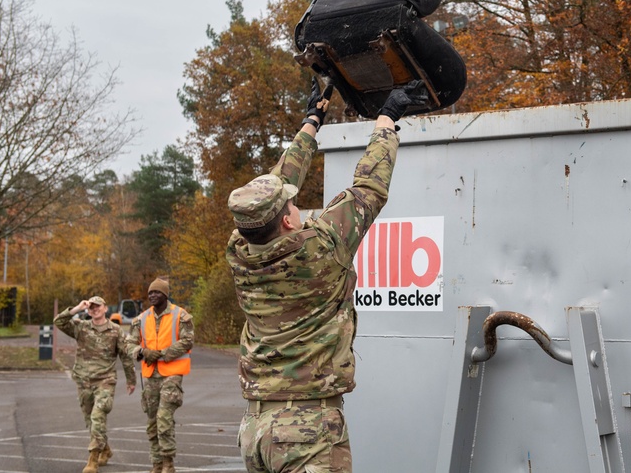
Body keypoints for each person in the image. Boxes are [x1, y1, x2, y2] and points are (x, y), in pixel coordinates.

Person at [226, 79, 427, 473]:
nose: (296, 204)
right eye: (292, 205)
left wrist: (311, 123)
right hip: (307, 432)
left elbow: (277, 185)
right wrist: (387, 119)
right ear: (287, 219)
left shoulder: (239, 251)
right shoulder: (320, 246)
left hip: (255, 429)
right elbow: (370, 187)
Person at [54, 295, 137, 473]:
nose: (94, 309)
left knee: (98, 416)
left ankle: (93, 459)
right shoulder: (81, 327)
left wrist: (131, 380)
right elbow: (59, 322)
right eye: (91, 307)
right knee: (90, 421)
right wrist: (77, 308)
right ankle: (105, 450)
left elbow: (125, 356)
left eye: (97, 306)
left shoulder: (115, 331)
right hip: (84, 381)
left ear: (105, 308)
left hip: (105, 381)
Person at [127, 278, 194, 473]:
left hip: (172, 373)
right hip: (150, 376)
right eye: (150, 293)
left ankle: (168, 463)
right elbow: (129, 344)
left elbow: (187, 341)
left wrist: (163, 354)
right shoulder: (141, 319)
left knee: (164, 417)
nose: (152, 296)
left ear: (165, 295)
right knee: (152, 421)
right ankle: (156, 464)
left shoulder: (181, 315)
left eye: (156, 292)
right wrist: (142, 352)